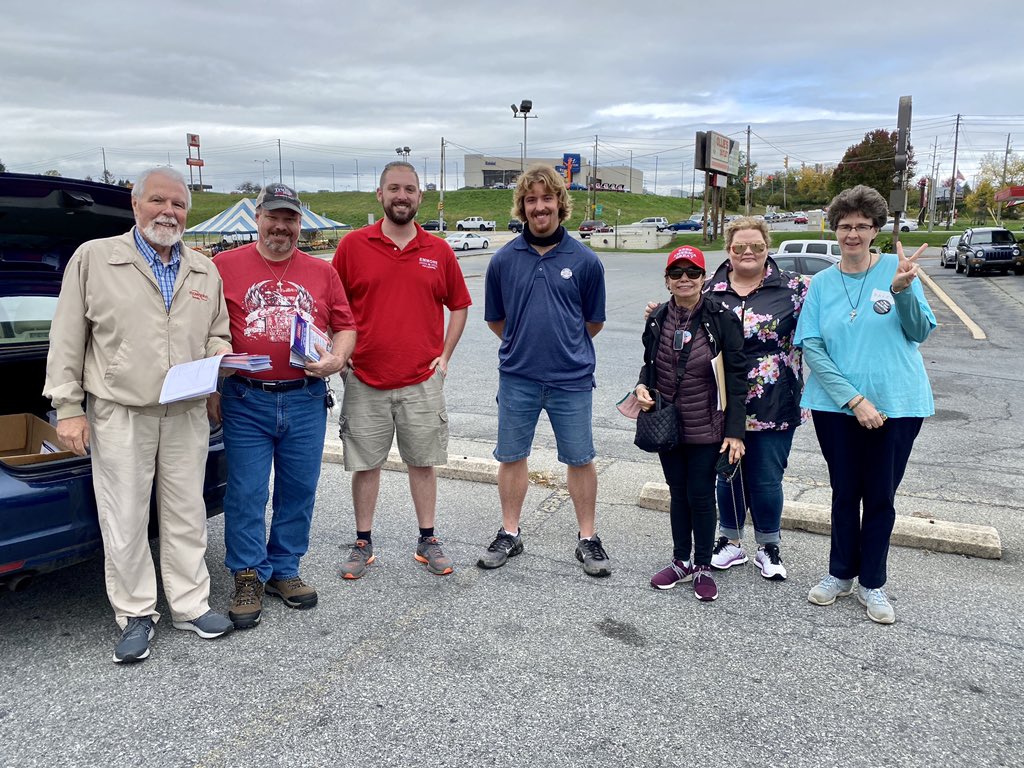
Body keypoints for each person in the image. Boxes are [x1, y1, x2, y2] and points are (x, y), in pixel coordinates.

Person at [44, 167, 235, 663]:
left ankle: (191, 605)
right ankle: (134, 613)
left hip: (186, 411)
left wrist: (218, 362)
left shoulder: (203, 268)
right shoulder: (95, 259)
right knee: (125, 515)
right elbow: (67, 339)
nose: (168, 212)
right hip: (120, 411)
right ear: (136, 205)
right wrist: (67, 408)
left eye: (178, 205)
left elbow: (217, 331)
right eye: (158, 201)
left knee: (186, 512)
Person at [211, 183, 356, 629]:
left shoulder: (321, 271)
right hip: (246, 398)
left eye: (290, 218)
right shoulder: (222, 266)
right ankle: (249, 574)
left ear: (300, 223)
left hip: (305, 399)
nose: (281, 226)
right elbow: (205, 330)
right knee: (247, 492)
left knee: (298, 489)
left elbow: (346, 326)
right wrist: (212, 387)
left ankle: (285, 568)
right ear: (257, 218)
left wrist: (337, 358)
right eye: (273, 217)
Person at [794, 185, 934, 625]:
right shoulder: (821, 283)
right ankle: (839, 574)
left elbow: (919, 332)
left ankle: (873, 582)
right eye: (844, 225)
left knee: (879, 496)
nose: (852, 234)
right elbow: (812, 347)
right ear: (834, 229)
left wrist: (903, 291)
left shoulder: (898, 267)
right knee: (844, 492)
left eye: (862, 226)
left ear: (875, 230)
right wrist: (854, 400)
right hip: (837, 408)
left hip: (898, 404)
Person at [332, 162, 471, 579]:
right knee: (365, 464)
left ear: (419, 197)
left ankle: (427, 538)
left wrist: (444, 357)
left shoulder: (438, 250)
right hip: (365, 379)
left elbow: (460, 305)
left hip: (421, 380)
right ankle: (362, 541)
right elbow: (330, 305)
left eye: (409, 189)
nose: (402, 196)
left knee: (423, 463)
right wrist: (341, 353)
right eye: (394, 188)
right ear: (380, 194)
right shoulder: (353, 246)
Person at [478, 164, 610, 577]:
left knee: (580, 457)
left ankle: (587, 538)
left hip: (571, 380)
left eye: (547, 198)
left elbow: (593, 322)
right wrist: (524, 344)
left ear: (560, 204)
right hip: (518, 377)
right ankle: (510, 532)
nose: (540, 207)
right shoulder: (503, 260)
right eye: (531, 200)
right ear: (522, 207)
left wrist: (562, 345)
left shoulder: (585, 261)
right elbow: (496, 319)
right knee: (513, 456)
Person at [636, 246, 747, 601]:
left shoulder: (721, 318)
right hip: (667, 424)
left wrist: (735, 431)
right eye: (677, 273)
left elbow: (737, 377)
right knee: (677, 494)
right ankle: (680, 560)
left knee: (700, 495)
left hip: (707, 426)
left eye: (693, 272)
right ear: (667, 280)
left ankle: (702, 565)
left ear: (704, 278)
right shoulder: (657, 320)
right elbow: (649, 366)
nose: (685, 278)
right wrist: (641, 386)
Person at [706, 217, 810, 580]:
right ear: (728, 251)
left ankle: (768, 545)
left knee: (767, 478)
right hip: (722, 402)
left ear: (768, 248)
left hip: (776, 401)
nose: (748, 252)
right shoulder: (709, 291)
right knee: (727, 475)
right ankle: (730, 541)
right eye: (739, 247)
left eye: (756, 246)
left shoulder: (796, 289)